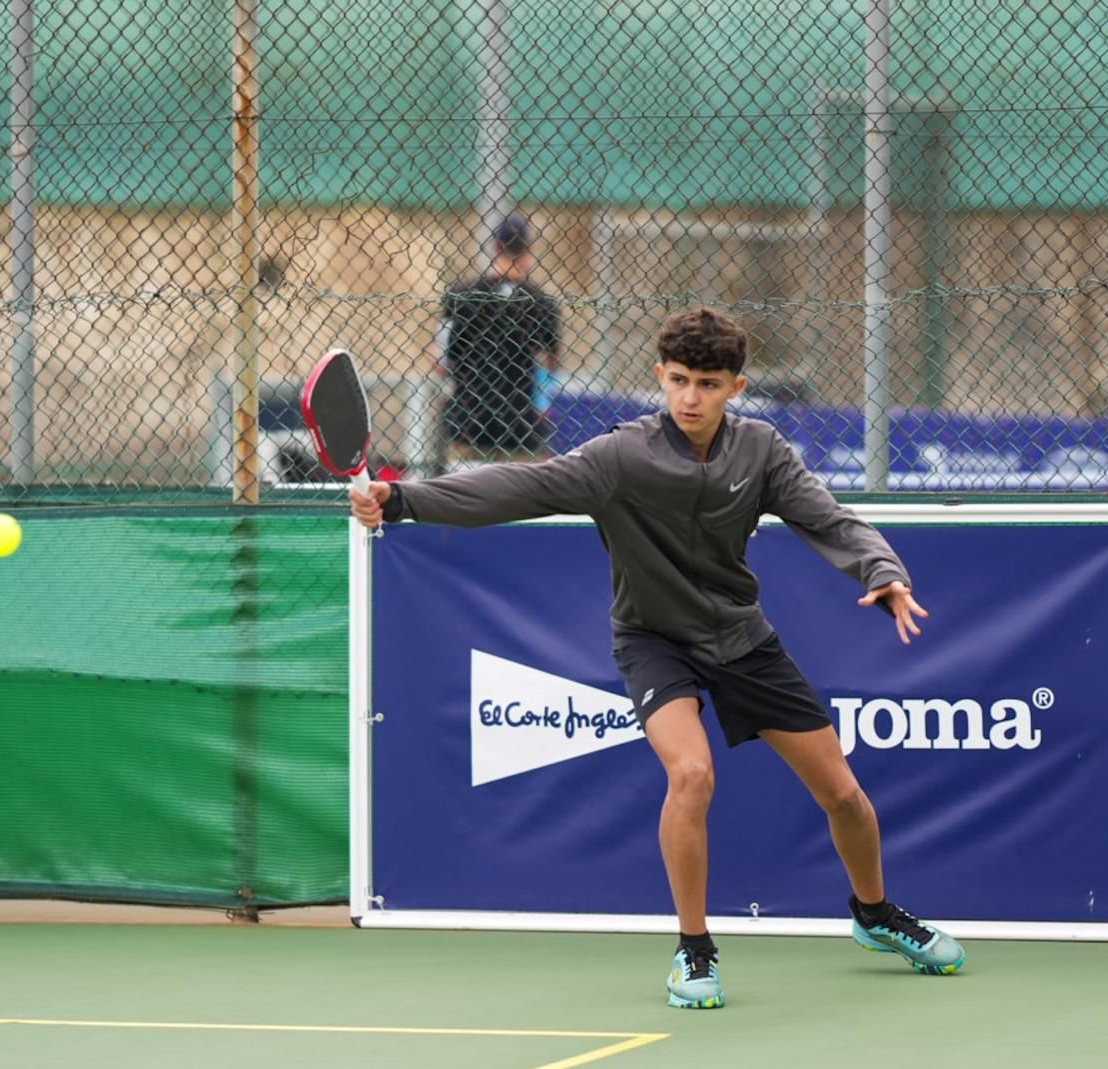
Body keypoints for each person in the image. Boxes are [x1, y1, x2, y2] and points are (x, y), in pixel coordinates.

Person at [352, 306, 965, 1009]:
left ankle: (875, 913)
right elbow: (523, 487)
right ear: (660, 376)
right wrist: (403, 499)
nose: (690, 397)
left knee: (844, 795)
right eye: (678, 380)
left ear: (736, 387)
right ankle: (694, 949)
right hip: (652, 640)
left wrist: (881, 571)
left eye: (708, 383)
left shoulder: (761, 450)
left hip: (742, 639)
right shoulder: (622, 456)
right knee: (692, 773)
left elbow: (827, 517)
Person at [437, 213, 561, 468]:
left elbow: (439, 361)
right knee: (518, 490)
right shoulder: (540, 302)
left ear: (496, 247)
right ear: (528, 253)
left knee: (464, 489)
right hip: (520, 426)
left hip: (469, 422)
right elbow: (552, 363)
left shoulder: (462, 295)